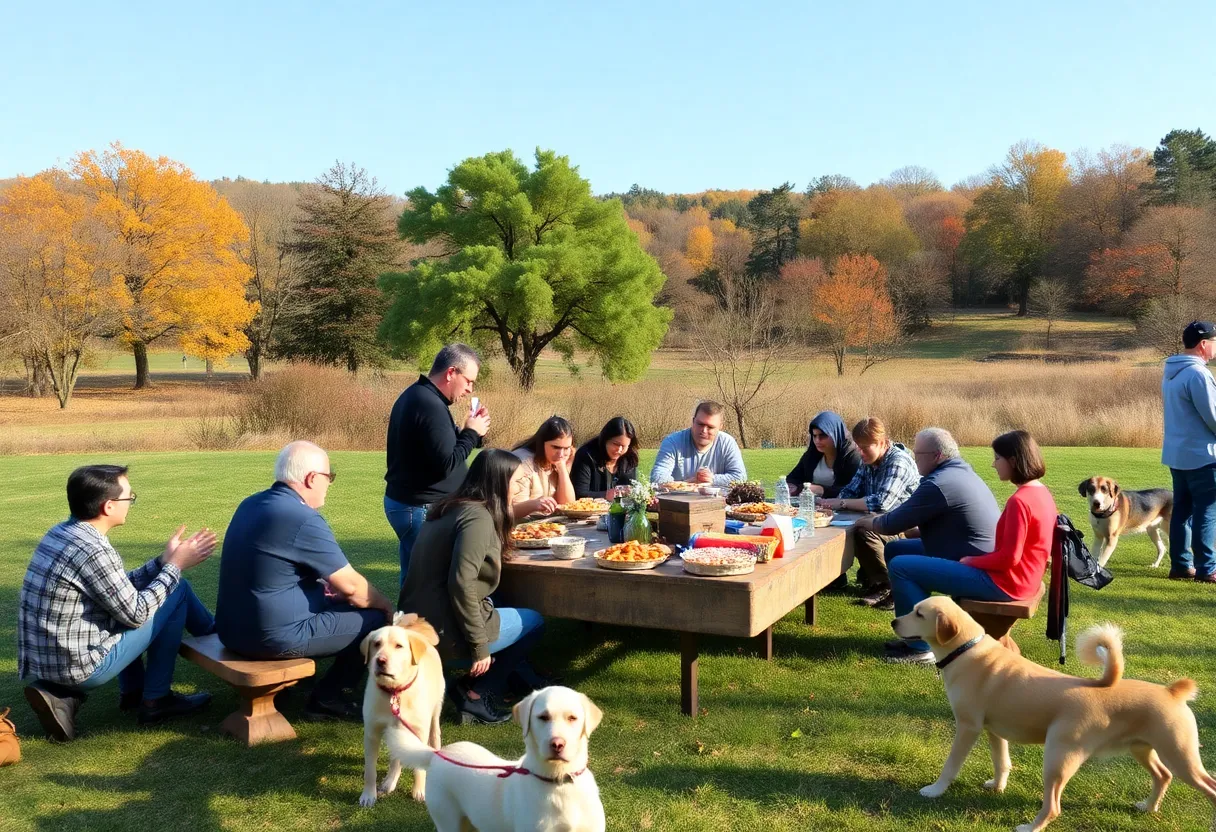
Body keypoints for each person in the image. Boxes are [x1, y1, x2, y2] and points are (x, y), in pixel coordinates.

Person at [18, 465, 217, 740]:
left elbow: (116, 588)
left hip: (48, 661)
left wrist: (162, 562)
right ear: (109, 506)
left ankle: (135, 691)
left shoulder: (63, 533)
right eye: (129, 498)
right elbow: (135, 613)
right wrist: (175, 567)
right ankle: (157, 699)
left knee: (165, 585)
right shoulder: (93, 549)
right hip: (79, 667)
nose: (131, 503)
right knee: (176, 589)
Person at [216, 441, 394, 720]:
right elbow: (354, 588)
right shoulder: (301, 518)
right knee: (374, 620)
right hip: (270, 638)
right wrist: (387, 607)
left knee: (340, 604)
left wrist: (320, 589)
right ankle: (329, 697)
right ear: (312, 478)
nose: (329, 484)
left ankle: (297, 685)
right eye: (329, 477)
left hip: (230, 629)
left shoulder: (251, 503)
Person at [399, 449, 549, 725]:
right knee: (535, 621)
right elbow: (462, 582)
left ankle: (508, 680)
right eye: (516, 481)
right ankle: (476, 692)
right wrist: (479, 646)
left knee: (500, 602)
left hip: (414, 620)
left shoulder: (450, 507)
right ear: (499, 481)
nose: (518, 488)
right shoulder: (478, 519)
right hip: (441, 631)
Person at [885, 430, 1057, 664]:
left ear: (1014, 461)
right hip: (1021, 580)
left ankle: (920, 648)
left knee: (901, 567)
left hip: (1006, 584)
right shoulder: (1041, 492)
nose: (994, 465)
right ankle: (916, 633)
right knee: (899, 551)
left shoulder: (1020, 501)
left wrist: (971, 561)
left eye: (997, 458)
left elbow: (1009, 558)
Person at [851, 428, 1000, 609]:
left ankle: (914, 637)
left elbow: (889, 525)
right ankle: (908, 605)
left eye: (918, 454)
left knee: (900, 566)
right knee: (895, 549)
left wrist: (861, 522)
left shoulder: (939, 483)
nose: (914, 459)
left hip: (978, 568)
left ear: (936, 456)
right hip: (971, 552)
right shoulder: (961, 471)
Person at [385, 344, 491, 584]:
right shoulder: (429, 405)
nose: (469, 389)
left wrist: (468, 431)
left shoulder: (421, 396)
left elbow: (442, 451)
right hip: (419, 508)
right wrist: (471, 434)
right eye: (468, 381)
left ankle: (409, 621)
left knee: (414, 578)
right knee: (428, 582)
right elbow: (447, 463)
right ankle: (424, 622)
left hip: (413, 505)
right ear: (451, 372)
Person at [819, 417, 920, 592]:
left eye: (865, 448)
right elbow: (851, 490)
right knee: (843, 525)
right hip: (886, 520)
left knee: (865, 530)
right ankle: (839, 578)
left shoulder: (898, 462)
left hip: (906, 526)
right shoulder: (868, 462)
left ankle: (885, 586)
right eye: (858, 447)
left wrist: (841, 503)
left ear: (881, 443)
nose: (861, 453)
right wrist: (830, 506)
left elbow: (882, 502)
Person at [1162, 321, 1216, 582]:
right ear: (1203, 344)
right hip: (1202, 455)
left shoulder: (1172, 372)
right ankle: (1207, 568)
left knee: (1182, 511)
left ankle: (1182, 565)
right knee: (1207, 510)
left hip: (1178, 455)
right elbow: (1213, 417)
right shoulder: (1198, 374)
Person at [650, 401, 747, 487]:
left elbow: (740, 477)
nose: (704, 430)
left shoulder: (727, 443)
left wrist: (712, 479)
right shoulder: (673, 442)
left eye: (710, 427)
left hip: (717, 503)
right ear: (693, 421)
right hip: (678, 503)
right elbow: (657, 477)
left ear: (720, 427)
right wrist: (687, 484)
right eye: (700, 424)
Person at [510, 417, 576, 517]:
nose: (561, 454)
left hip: (549, 525)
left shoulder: (559, 461)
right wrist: (534, 504)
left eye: (566, 448)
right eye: (556, 447)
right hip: (522, 526)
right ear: (541, 444)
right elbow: (512, 511)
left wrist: (562, 469)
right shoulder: (522, 462)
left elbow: (568, 505)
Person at [786, 411, 862, 498]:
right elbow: (793, 477)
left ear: (835, 434)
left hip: (843, 509)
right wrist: (792, 486)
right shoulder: (811, 455)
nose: (817, 440)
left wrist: (821, 490)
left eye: (823, 436)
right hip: (812, 507)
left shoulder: (853, 456)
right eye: (814, 436)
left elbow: (853, 490)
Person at [571, 417, 639, 499]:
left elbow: (631, 493)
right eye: (616, 444)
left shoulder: (629, 458)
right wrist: (606, 495)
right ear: (605, 439)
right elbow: (578, 493)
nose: (619, 450)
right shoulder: (586, 456)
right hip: (590, 510)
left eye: (624, 446)